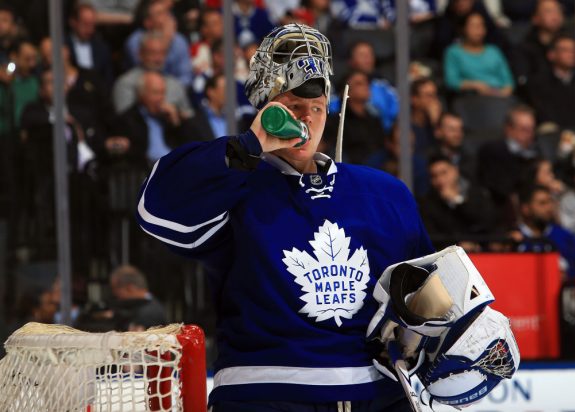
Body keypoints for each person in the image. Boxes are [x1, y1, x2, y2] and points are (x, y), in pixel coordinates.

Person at [137, 23, 433, 410]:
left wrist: (455, 333)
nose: (307, 120)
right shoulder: (234, 186)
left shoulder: (385, 193)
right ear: (267, 110)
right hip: (266, 395)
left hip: (376, 396)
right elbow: (156, 208)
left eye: (316, 108)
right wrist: (249, 146)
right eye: (293, 107)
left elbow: (422, 294)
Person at [443, 11, 514, 97]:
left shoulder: (494, 51)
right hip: (471, 97)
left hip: (499, 96)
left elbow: (508, 82)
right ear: (463, 28)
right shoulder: (453, 52)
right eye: (473, 26)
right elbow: (451, 81)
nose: (478, 29)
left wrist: (502, 93)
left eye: (481, 25)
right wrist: (474, 85)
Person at [109, 264, 167, 331]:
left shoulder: (148, 313)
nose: (115, 294)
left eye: (115, 289)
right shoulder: (151, 304)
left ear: (130, 288)